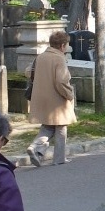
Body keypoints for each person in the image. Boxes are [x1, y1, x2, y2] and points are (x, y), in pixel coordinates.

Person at [27, 29, 76, 166]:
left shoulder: (41, 56)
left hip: (40, 96)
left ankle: (36, 148)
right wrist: (69, 94)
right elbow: (61, 81)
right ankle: (59, 158)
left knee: (47, 127)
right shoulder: (59, 58)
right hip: (56, 98)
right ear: (62, 45)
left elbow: (28, 71)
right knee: (61, 128)